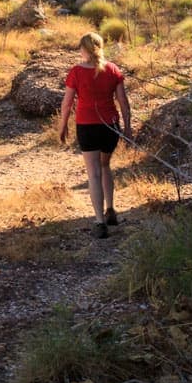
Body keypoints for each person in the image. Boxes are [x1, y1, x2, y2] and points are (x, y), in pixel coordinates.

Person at [57, 30, 133, 238]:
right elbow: (124, 103)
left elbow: (67, 103)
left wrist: (63, 125)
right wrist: (127, 128)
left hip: (87, 125)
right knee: (105, 165)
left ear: (84, 49)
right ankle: (111, 210)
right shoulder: (113, 70)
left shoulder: (77, 72)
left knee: (93, 173)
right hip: (110, 126)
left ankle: (100, 222)